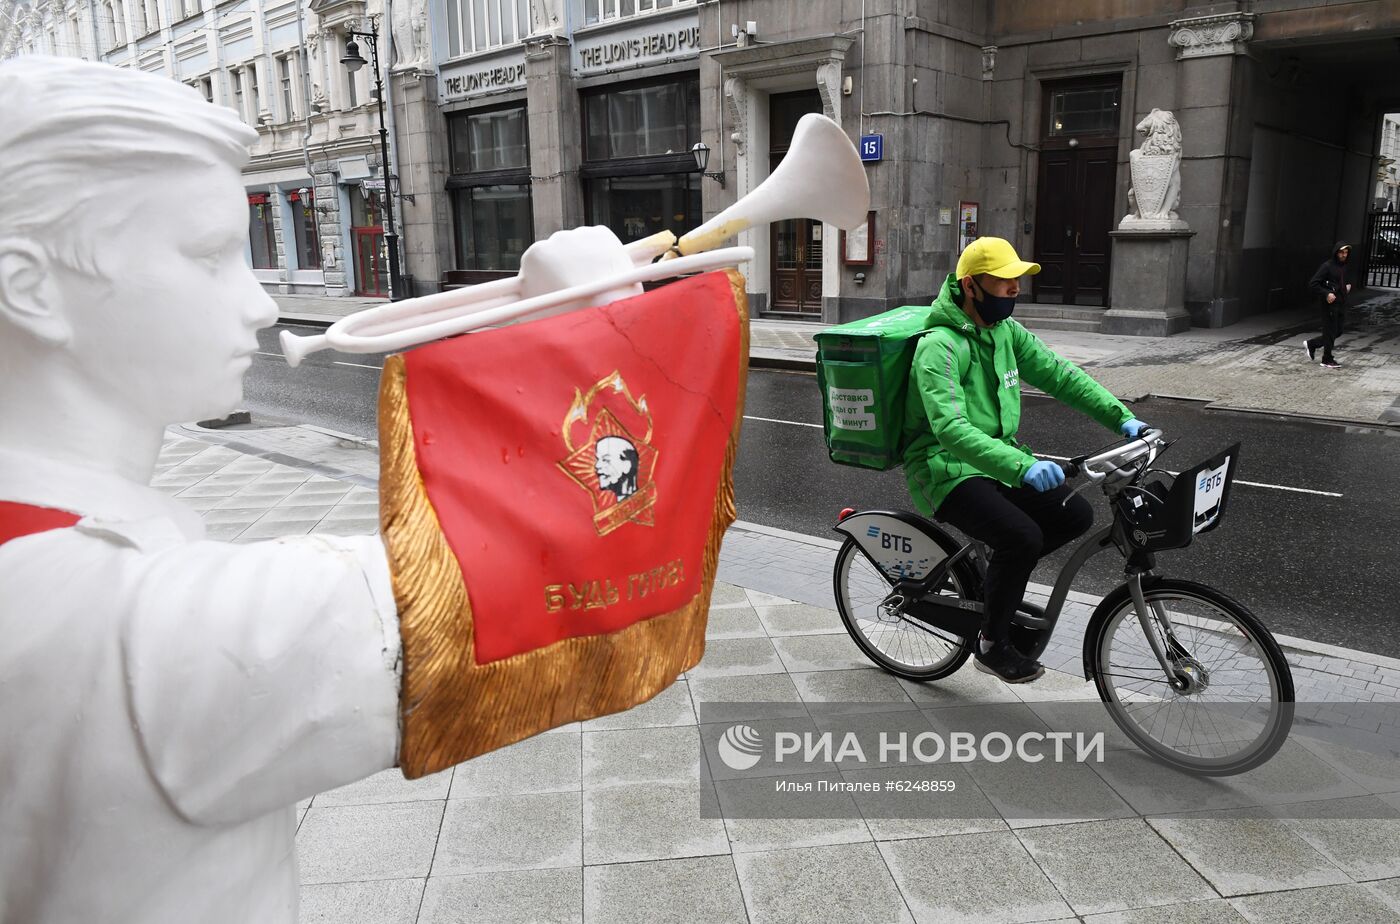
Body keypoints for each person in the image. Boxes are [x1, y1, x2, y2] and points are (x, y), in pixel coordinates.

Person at [901, 237, 1148, 684]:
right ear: (972, 286)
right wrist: (1022, 468)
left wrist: (1124, 420)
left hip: (998, 458)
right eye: (1004, 281)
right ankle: (992, 644)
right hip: (944, 467)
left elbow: (1061, 376)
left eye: (1018, 281)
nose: (1015, 289)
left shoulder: (1005, 333)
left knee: (1074, 514)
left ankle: (999, 577)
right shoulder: (938, 346)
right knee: (1021, 537)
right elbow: (950, 430)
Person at [1303, 241, 1353, 369]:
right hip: (1329, 304)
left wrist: (1347, 285)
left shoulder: (1344, 266)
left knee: (1338, 331)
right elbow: (1313, 283)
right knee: (1330, 331)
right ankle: (1327, 359)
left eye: (1346, 252)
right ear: (1336, 252)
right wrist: (1326, 293)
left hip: (1341, 303)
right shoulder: (1327, 266)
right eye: (1341, 252)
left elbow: (1343, 281)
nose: (1344, 255)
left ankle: (1312, 344)